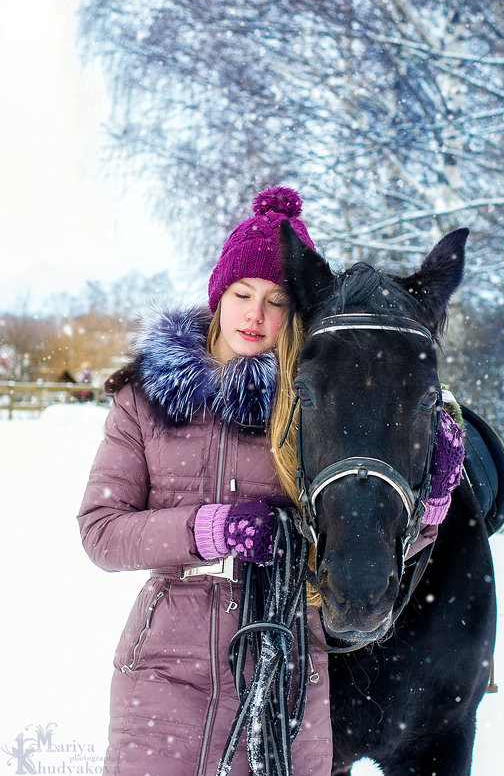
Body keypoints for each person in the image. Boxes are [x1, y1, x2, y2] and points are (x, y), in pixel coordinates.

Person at [77, 186, 333, 776]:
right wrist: (208, 529)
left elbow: (370, 546)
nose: (256, 315)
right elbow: (100, 532)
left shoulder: (316, 406)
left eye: (277, 301)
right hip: (162, 672)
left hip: (285, 674)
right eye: (243, 294)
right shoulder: (147, 398)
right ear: (219, 296)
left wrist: (432, 501)